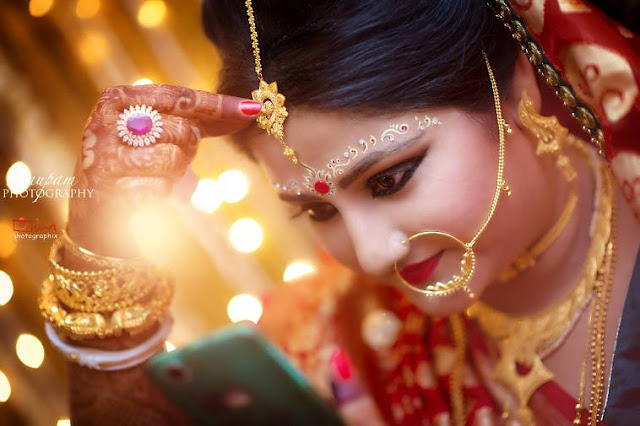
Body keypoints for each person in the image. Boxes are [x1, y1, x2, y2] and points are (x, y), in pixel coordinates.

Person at [39, 0, 640, 424]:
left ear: (516, 86)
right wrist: (101, 271)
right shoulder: (343, 343)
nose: (375, 253)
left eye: (392, 179)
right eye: (317, 212)